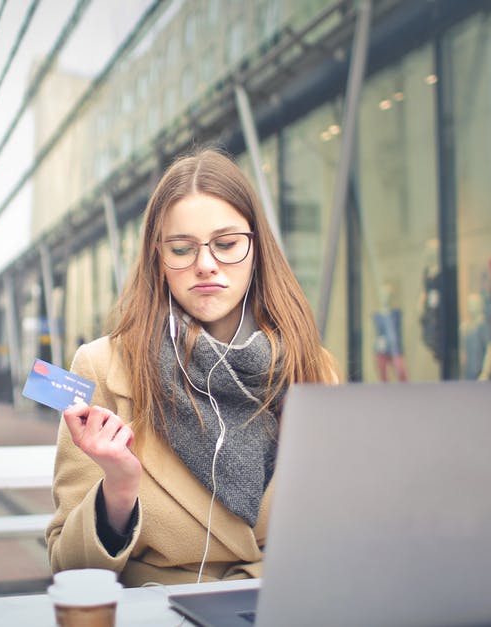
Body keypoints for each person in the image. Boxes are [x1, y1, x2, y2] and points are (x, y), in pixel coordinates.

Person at [46, 148, 338, 587]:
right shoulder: (100, 366)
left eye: (226, 244)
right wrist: (118, 490)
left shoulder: (313, 368)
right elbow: (68, 566)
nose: (205, 265)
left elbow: (339, 523)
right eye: (182, 248)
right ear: (157, 259)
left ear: (257, 249)